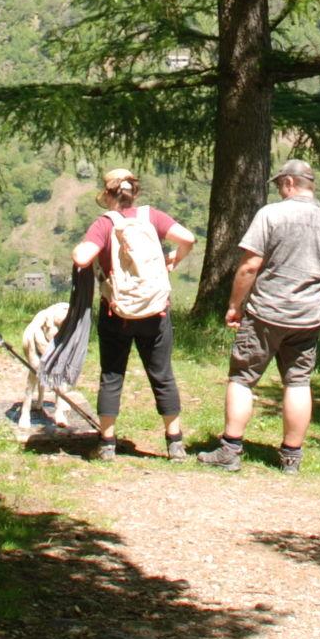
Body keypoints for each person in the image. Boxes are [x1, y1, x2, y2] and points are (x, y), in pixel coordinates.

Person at [198, 158, 320, 475]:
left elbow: (250, 266)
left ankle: (230, 450)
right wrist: (311, 279)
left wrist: (234, 306)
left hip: (267, 312)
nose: (280, 190)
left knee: (243, 378)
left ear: (291, 183)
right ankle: (291, 458)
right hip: (308, 316)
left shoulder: (271, 215)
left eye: (281, 184)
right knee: (298, 382)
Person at [72, 168, 195, 461]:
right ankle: (175, 443)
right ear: (134, 193)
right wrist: (175, 258)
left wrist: (80, 248)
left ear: (107, 195)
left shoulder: (104, 224)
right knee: (162, 374)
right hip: (155, 312)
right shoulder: (152, 217)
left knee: (112, 375)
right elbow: (188, 237)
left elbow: (82, 257)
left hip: (117, 314)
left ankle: (106, 445)